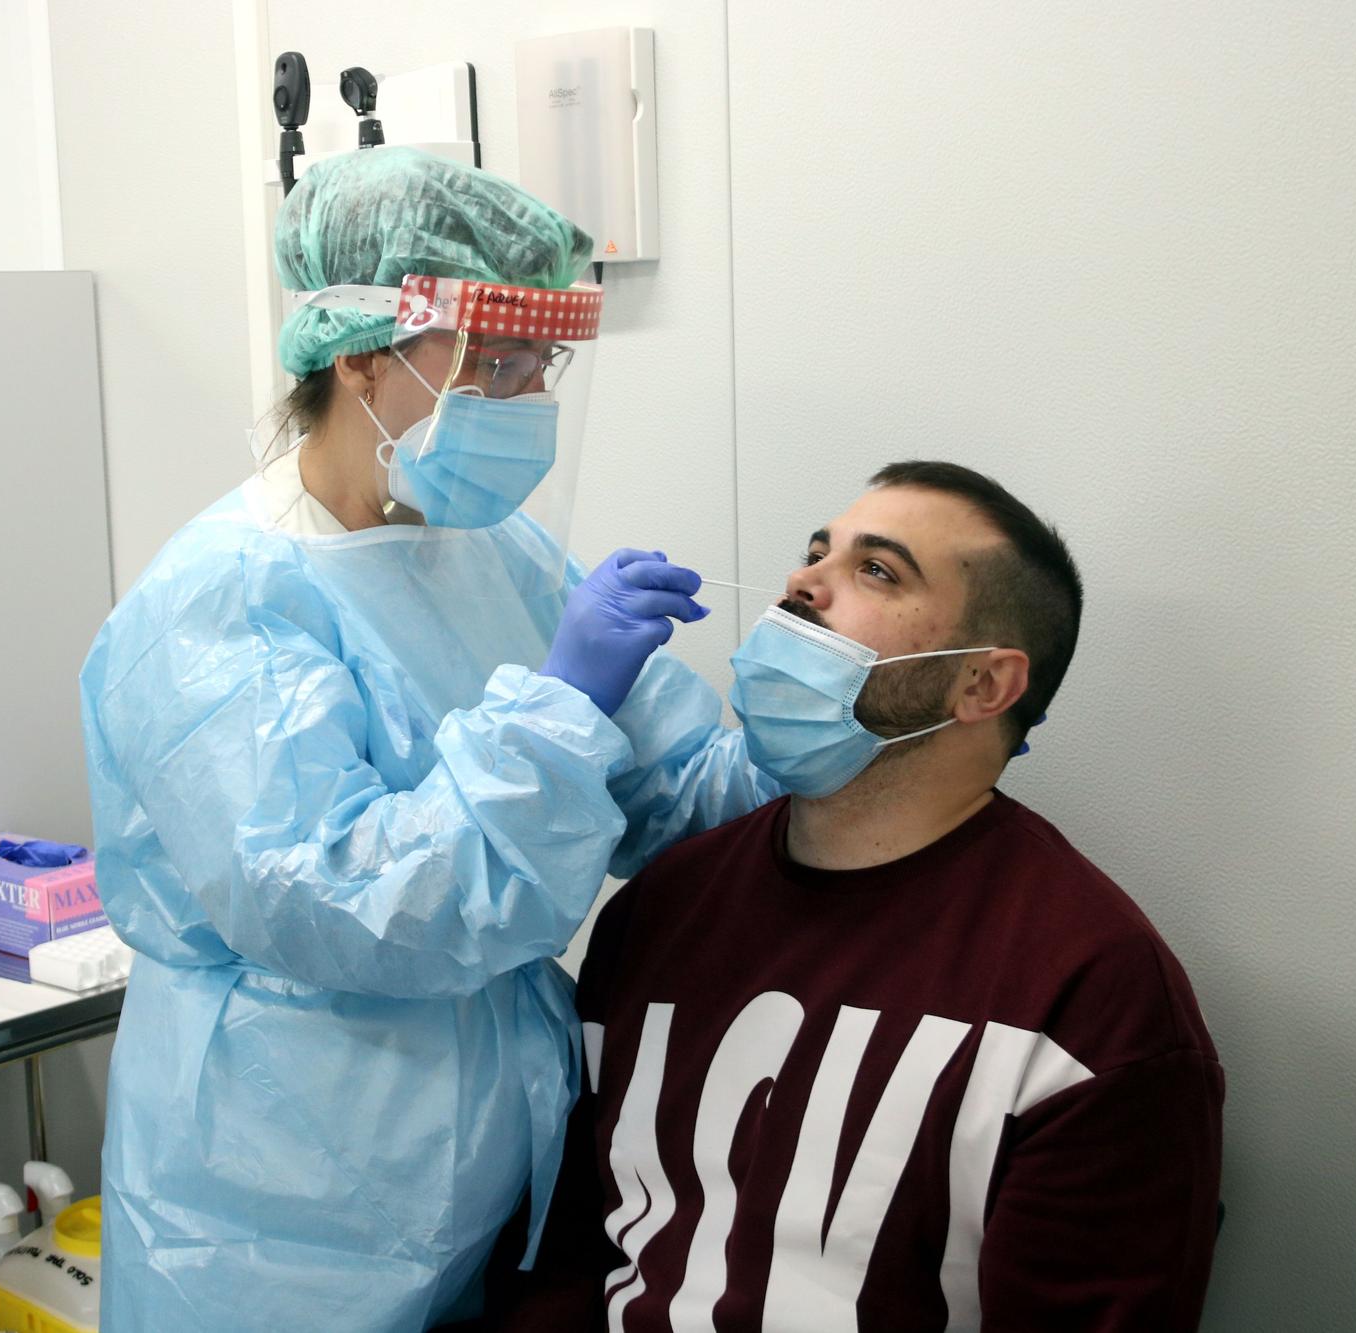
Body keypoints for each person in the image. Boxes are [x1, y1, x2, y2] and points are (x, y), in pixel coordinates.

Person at [79, 147, 773, 1331]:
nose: (522, 396)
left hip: (490, 1157)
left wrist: (817, 722)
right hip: (281, 1197)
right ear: (356, 353)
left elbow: (668, 796)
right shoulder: (217, 603)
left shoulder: (490, 549)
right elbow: (341, 899)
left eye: (538, 363)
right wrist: (556, 709)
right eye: (492, 361)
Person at [490, 462, 1226, 1331]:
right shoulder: (664, 908)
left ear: (982, 684)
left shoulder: (1089, 991)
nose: (803, 583)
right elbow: (569, 1259)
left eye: (876, 570)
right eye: (814, 553)